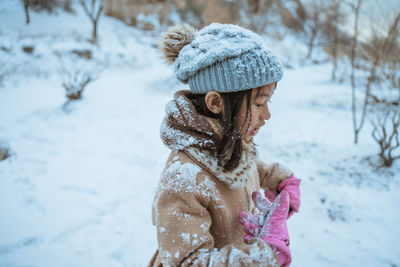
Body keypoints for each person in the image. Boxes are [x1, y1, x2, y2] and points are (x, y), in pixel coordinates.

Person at [149, 23, 301, 267]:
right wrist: (262, 256)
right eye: (259, 104)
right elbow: (186, 263)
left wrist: (279, 179)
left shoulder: (227, 141)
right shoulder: (183, 180)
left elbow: (242, 165)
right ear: (216, 103)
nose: (267, 115)